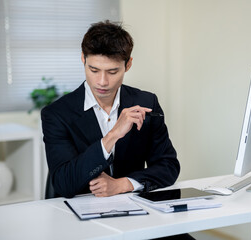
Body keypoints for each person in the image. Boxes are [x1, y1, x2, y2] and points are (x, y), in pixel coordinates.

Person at [41, 20, 180, 199]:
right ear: (83, 59)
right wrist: (113, 135)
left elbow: (168, 166)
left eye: (113, 72)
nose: (102, 82)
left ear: (128, 65)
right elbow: (64, 183)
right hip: (80, 213)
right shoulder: (57, 114)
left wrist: (123, 184)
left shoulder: (147, 102)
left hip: (134, 208)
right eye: (94, 70)